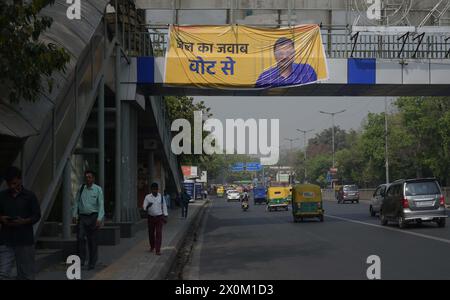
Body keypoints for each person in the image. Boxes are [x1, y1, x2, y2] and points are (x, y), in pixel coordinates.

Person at [0, 166, 41, 280]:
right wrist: (1, 218)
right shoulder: (2, 196)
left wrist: (24, 221)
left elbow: (37, 215)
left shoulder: (30, 196)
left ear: (20, 180)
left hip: (24, 240)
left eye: (14, 183)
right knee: (3, 273)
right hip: (6, 239)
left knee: (26, 275)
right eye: (9, 184)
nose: (12, 186)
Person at [72, 170, 104, 270]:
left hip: (93, 217)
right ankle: (81, 260)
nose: (87, 179)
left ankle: (92, 262)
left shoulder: (98, 189)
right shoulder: (81, 188)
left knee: (92, 240)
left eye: (90, 177)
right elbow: (76, 202)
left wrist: (99, 218)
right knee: (80, 238)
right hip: (82, 217)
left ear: (93, 179)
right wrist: (74, 214)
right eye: (86, 177)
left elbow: (101, 204)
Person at [143, 183, 168, 255]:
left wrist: (166, 215)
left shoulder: (161, 197)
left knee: (159, 233)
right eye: (153, 189)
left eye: (156, 189)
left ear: (158, 189)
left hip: (159, 217)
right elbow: (144, 207)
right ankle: (152, 246)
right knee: (151, 233)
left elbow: (164, 206)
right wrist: (148, 206)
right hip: (150, 217)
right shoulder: (147, 197)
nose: (155, 191)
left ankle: (158, 250)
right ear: (151, 190)